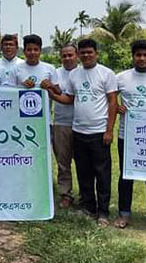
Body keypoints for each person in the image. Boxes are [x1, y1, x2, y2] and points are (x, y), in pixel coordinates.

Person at [54, 39, 117, 226]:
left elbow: (113, 102)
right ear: (79, 54)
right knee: (84, 173)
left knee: (102, 173)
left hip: (99, 132)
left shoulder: (106, 73)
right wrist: (51, 93)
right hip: (78, 130)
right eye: (83, 52)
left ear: (96, 53)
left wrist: (109, 130)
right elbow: (69, 99)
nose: (86, 55)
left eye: (90, 52)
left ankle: (103, 212)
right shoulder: (74, 75)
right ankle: (88, 207)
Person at [113, 40, 146, 234]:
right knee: (126, 176)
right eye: (138, 55)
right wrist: (117, 107)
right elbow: (110, 99)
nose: (142, 58)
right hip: (127, 135)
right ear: (133, 56)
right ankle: (124, 214)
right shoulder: (121, 77)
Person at [52, 44, 78, 209]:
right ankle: (65, 194)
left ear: (76, 56)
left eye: (70, 55)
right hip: (61, 122)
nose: (67, 58)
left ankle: (87, 195)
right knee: (63, 162)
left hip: (82, 124)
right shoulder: (54, 73)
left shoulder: (82, 73)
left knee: (84, 163)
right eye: (64, 56)